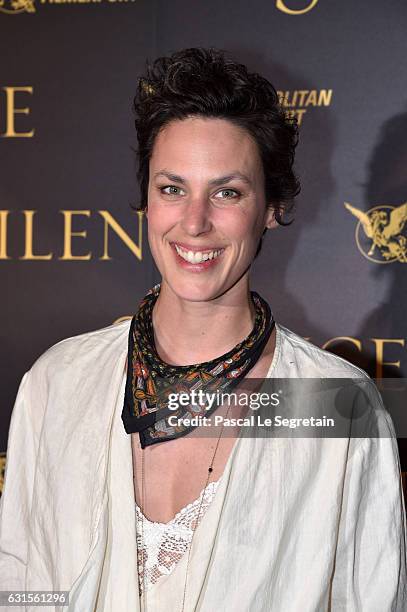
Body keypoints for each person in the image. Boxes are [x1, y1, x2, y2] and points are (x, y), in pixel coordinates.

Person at [0, 47, 406, 612]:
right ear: (145, 201)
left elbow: (373, 598)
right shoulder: (58, 383)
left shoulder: (335, 403)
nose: (194, 222)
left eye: (227, 191)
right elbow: (19, 588)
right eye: (172, 188)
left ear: (271, 207)